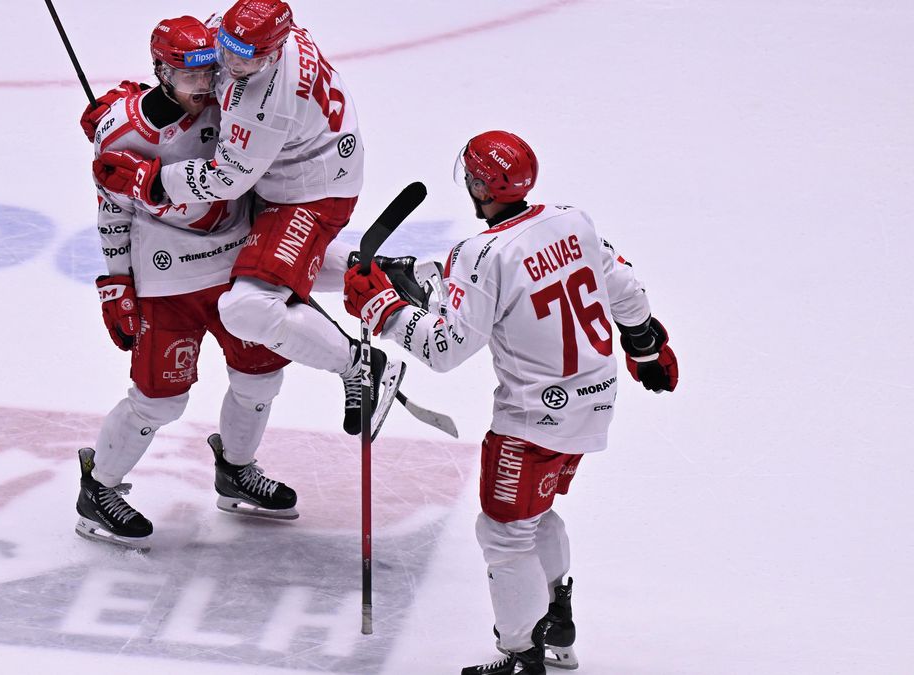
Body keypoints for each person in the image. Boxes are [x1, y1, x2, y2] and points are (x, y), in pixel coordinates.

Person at [342, 131, 679, 674]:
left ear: (479, 186)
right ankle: (556, 625)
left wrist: (386, 309)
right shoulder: (572, 220)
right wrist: (645, 344)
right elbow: (623, 287)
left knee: (503, 531)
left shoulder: (481, 254)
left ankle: (523, 653)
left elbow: (446, 348)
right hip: (595, 400)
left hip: (534, 419)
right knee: (533, 516)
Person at [88, 0, 404, 439]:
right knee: (266, 268)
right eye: (227, 50)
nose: (231, 66)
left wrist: (152, 181)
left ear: (274, 51)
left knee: (247, 309)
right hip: (307, 163)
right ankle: (379, 272)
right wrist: (141, 103)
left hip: (309, 193)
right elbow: (196, 59)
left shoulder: (264, 103)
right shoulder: (252, 36)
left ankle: (358, 365)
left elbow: (226, 179)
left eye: (247, 60)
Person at [73, 16, 298, 552]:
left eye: (209, 71)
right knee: (159, 401)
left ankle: (236, 470)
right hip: (167, 284)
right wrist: (116, 285)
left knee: (260, 377)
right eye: (187, 74)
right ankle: (98, 488)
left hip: (238, 267)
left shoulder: (233, 102)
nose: (203, 84)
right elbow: (112, 211)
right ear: (160, 71)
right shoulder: (121, 132)